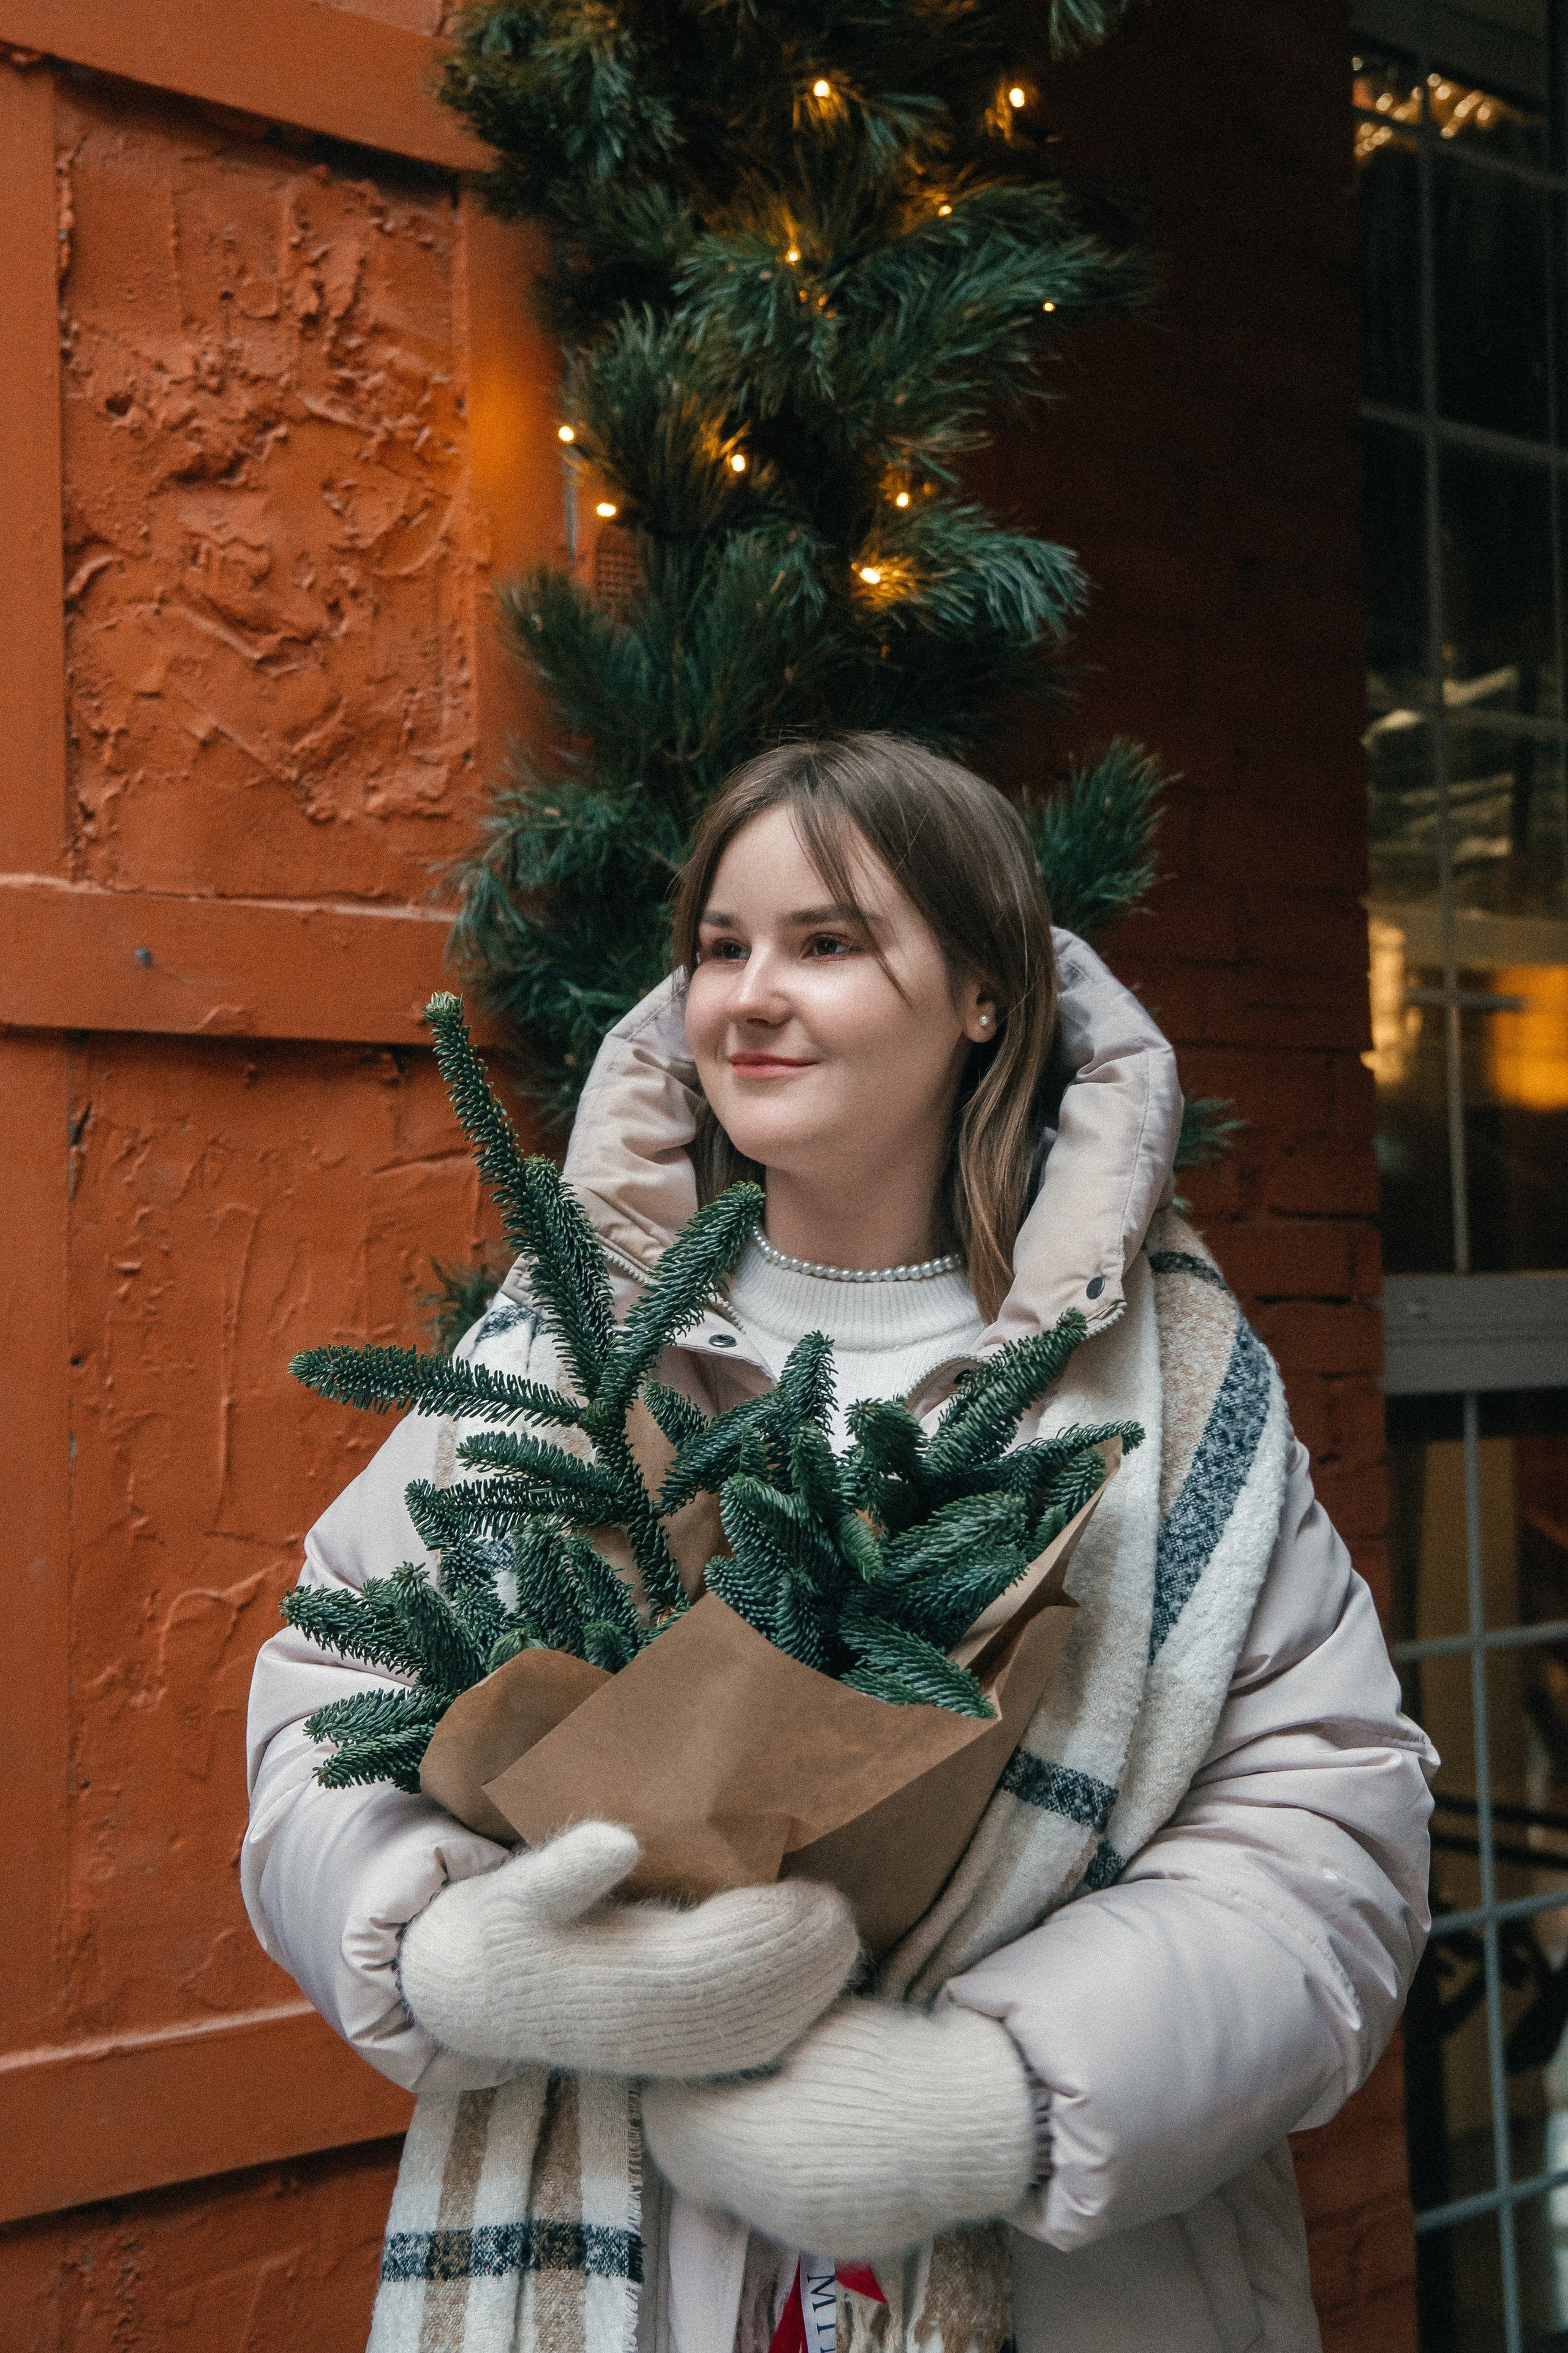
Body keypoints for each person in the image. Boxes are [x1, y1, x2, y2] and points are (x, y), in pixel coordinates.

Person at [243, 733, 1434, 2353]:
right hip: (615, 2269)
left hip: (1063, 2284)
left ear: (984, 996)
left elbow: (1329, 1835)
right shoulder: (564, 1359)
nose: (748, 994)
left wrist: (1000, 2096)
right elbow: (332, 1686)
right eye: (719, 946)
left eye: (828, 942)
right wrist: (447, 1944)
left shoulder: (1161, 1383)